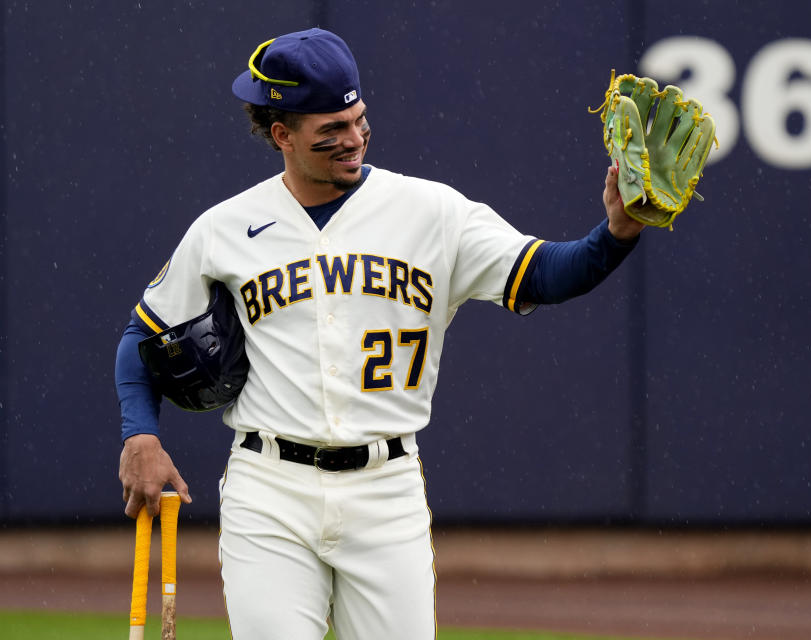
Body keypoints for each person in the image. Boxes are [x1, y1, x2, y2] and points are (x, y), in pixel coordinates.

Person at [116, 27, 648, 640]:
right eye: (331, 132)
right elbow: (143, 335)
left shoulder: (432, 211)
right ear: (282, 135)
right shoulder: (225, 228)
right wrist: (142, 438)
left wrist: (615, 234)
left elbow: (549, 273)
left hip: (386, 488)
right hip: (269, 491)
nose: (354, 140)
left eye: (359, 120)